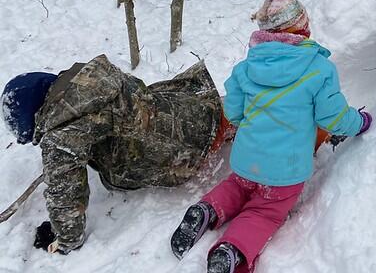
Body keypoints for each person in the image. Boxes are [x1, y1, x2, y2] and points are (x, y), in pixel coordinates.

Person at [170, 0, 372, 273]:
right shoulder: (319, 69)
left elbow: (233, 112)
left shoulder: (246, 68)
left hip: (246, 160)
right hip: (284, 173)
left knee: (238, 186)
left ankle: (206, 210)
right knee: (264, 211)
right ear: (300, 28)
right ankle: (232, 250)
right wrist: (360, 122)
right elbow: (334, 117)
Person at [1, 56, 228, 254]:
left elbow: (65, 193)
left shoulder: (61, 137)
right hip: (196, 109)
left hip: (185, 152)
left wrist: (64, 238)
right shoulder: (88, 78)